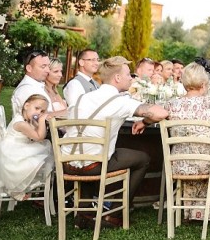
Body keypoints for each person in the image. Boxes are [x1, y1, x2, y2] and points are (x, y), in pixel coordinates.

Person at [68, 56, 168, 229]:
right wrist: (144, 122)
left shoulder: (83, 98)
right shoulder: (120, 101)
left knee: (94, 152)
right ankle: (114, 214)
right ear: (117, 78)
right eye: (129, 75)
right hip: (93, 166)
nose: (132, 78)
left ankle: (85, 212)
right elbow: (160, 113)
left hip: (67, 162)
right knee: (143, 159)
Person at [165, 62, 210, 222]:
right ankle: (207, 212)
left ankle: (189, 211)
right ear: (204, 84)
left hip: (178, 164)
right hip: (207, 164)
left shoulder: (171, 105)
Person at [0, 94, 54, 200]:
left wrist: (37, 122)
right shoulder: (21, 123)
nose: (39, 113)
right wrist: (42, 121)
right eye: (37, 108)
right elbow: (39, 137)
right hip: (13, 153)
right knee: (44, 153)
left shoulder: (25, 119)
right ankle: (15, 188)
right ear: (26, 105)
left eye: (42, 111)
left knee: (44, 153)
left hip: (18, 148)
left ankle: (21, 187)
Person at [12, 49, 51, 115]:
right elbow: (37, 118)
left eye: (48, 66)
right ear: (29, 68)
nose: (48, 70)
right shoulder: (27, 89)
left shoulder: (35, 85)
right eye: (43, 66)